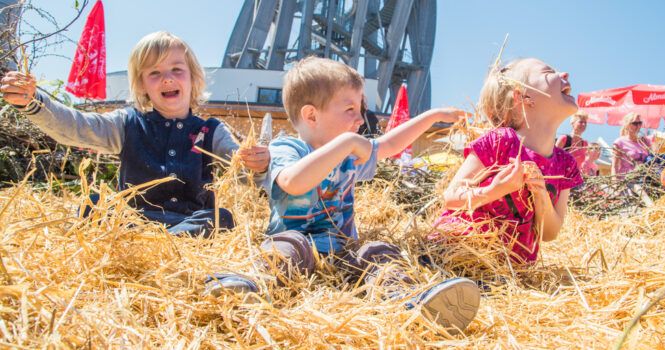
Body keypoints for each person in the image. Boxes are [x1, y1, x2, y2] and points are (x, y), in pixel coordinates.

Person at [207, 57, 480, 332]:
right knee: (284, 248)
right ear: (311, 116)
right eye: (350, 109)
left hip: (344, 250)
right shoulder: (286, 148)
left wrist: (433, 116)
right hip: (299, 246)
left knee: (379, 253)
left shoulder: (352, 154)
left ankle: (407, 302)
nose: (361, 119)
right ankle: (252, 288)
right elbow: (293, 181)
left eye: (360, 108)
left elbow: (391, 143)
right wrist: (347, 142)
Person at [0, 31, 270, 237]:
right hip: (134, 219)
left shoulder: (210, 131)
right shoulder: (128, 123)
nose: (167, 78)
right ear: (142, 85)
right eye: (155, 72)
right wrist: (35, 102)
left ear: (193, 78)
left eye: (177, 69)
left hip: (189, 221)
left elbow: (241, 169)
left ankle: (163, 242)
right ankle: (147, 240)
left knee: (220, 218)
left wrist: (257, 165)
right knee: (95, 204)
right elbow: (77, 126)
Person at [432, 58, 583, 265]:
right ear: (523, 97)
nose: (564, 74)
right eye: (548, 72)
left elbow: (550, 233)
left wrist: (541, 194)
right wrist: (495, 190)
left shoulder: (565, 164)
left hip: (509, 271)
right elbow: (451, 197)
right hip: (457, 250)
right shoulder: (501, 141)